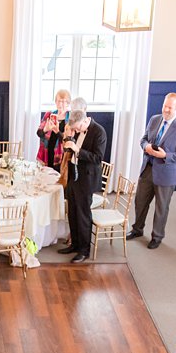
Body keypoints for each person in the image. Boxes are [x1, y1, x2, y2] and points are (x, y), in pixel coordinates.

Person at [126, 92, 176, 251]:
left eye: (170, 107)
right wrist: (145, 146)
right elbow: (143, 139)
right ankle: (137, 229)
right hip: (148, 169)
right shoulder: (154, 120)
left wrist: (166, 155)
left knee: (161, 208)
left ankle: (157, 236)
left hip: (166, 174)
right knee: (140, 201)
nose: (166, 110)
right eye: (165, 106)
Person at [57, 101, 105, 265]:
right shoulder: (78, 129)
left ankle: (84, 250)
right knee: (72, 212)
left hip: (87, 178)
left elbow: (97, 159)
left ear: (84, 121)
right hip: (73, 175)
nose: (76, 131)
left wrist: (77, 150)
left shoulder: (99, 132)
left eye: (77, 128)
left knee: (83, 215)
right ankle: (75, 244)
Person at [36, 89, 72, 166]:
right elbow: (39, 133)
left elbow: (69, 140)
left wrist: (57, 132)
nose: (60, 104)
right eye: (58, 101)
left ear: (68, 103)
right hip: (47, 152)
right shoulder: (49, 114)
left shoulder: (70, 118)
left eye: (63, 101)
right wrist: (45, 129)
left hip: (61, 155)